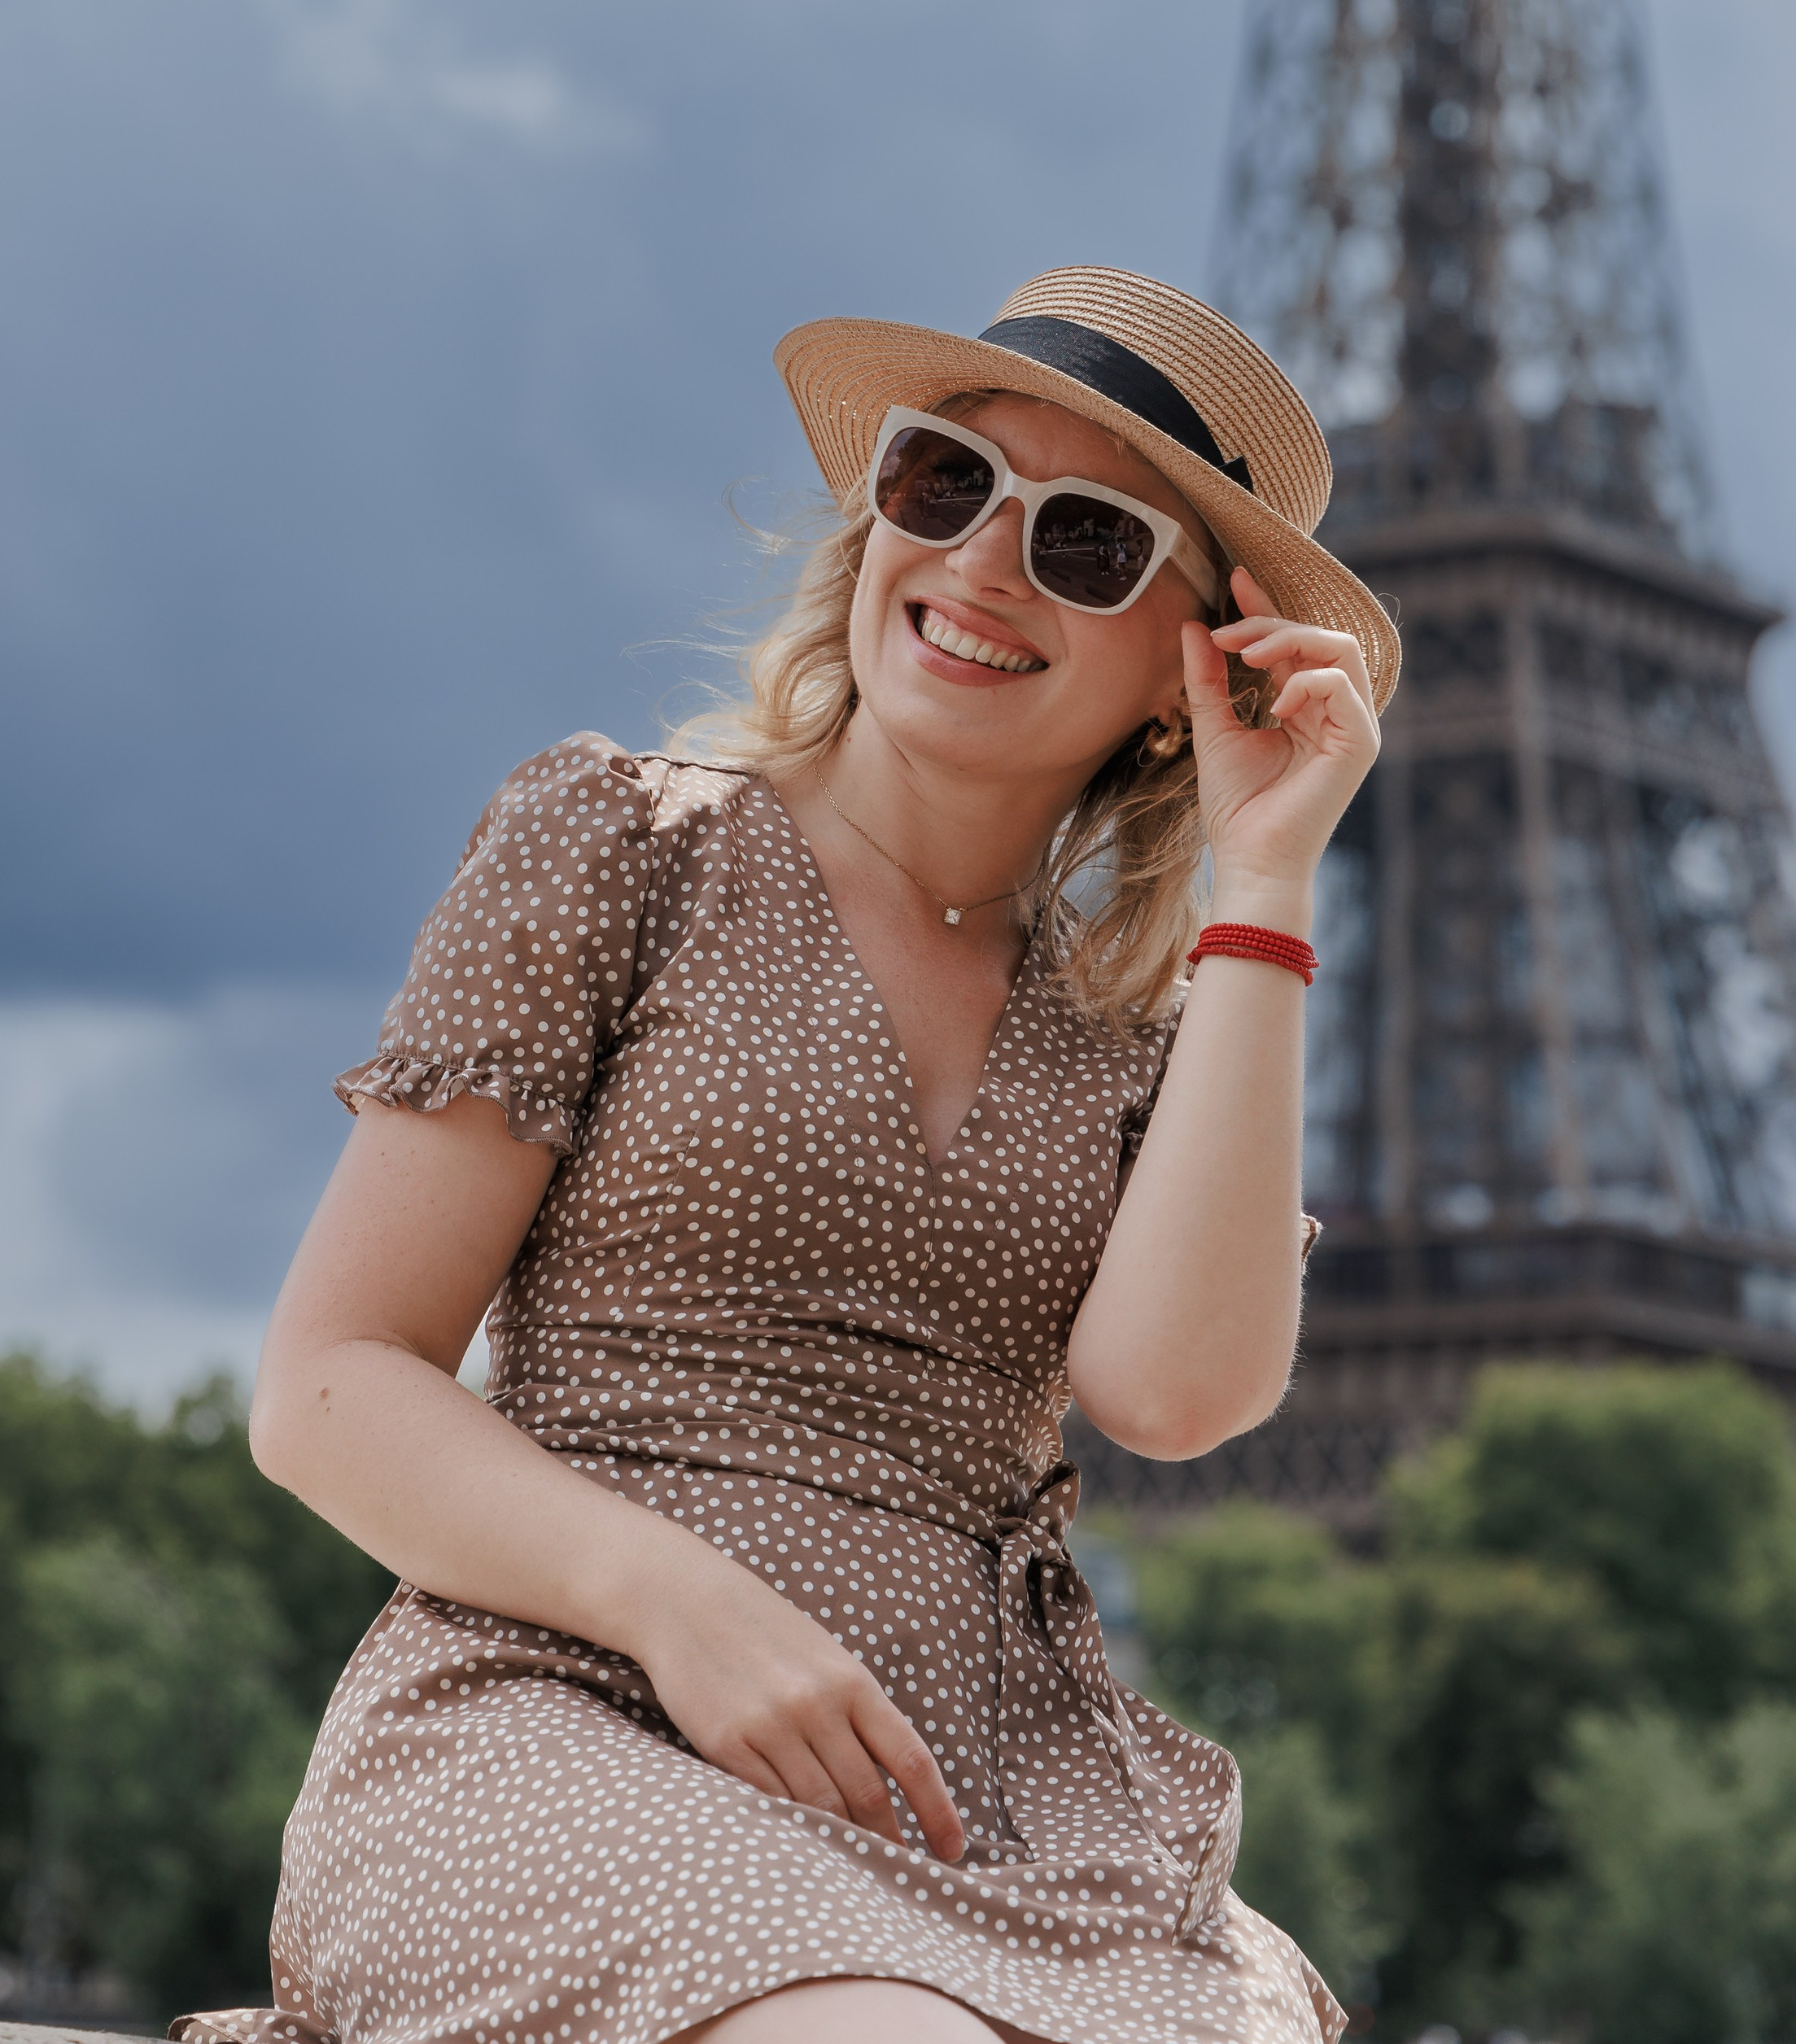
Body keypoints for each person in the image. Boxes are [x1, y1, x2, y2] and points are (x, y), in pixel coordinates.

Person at [175, 266, 1397, 2044]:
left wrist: (1267, 886)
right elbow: (329, 1383)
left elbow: (1173, 1398)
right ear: (871, 521)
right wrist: (677, 1604)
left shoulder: (1153, 1045)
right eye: (942, 482)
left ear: (1183, 671)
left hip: (990, 1802)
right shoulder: (618, 848)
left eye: (1083, 545)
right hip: (557, 1712)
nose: (982, 559)